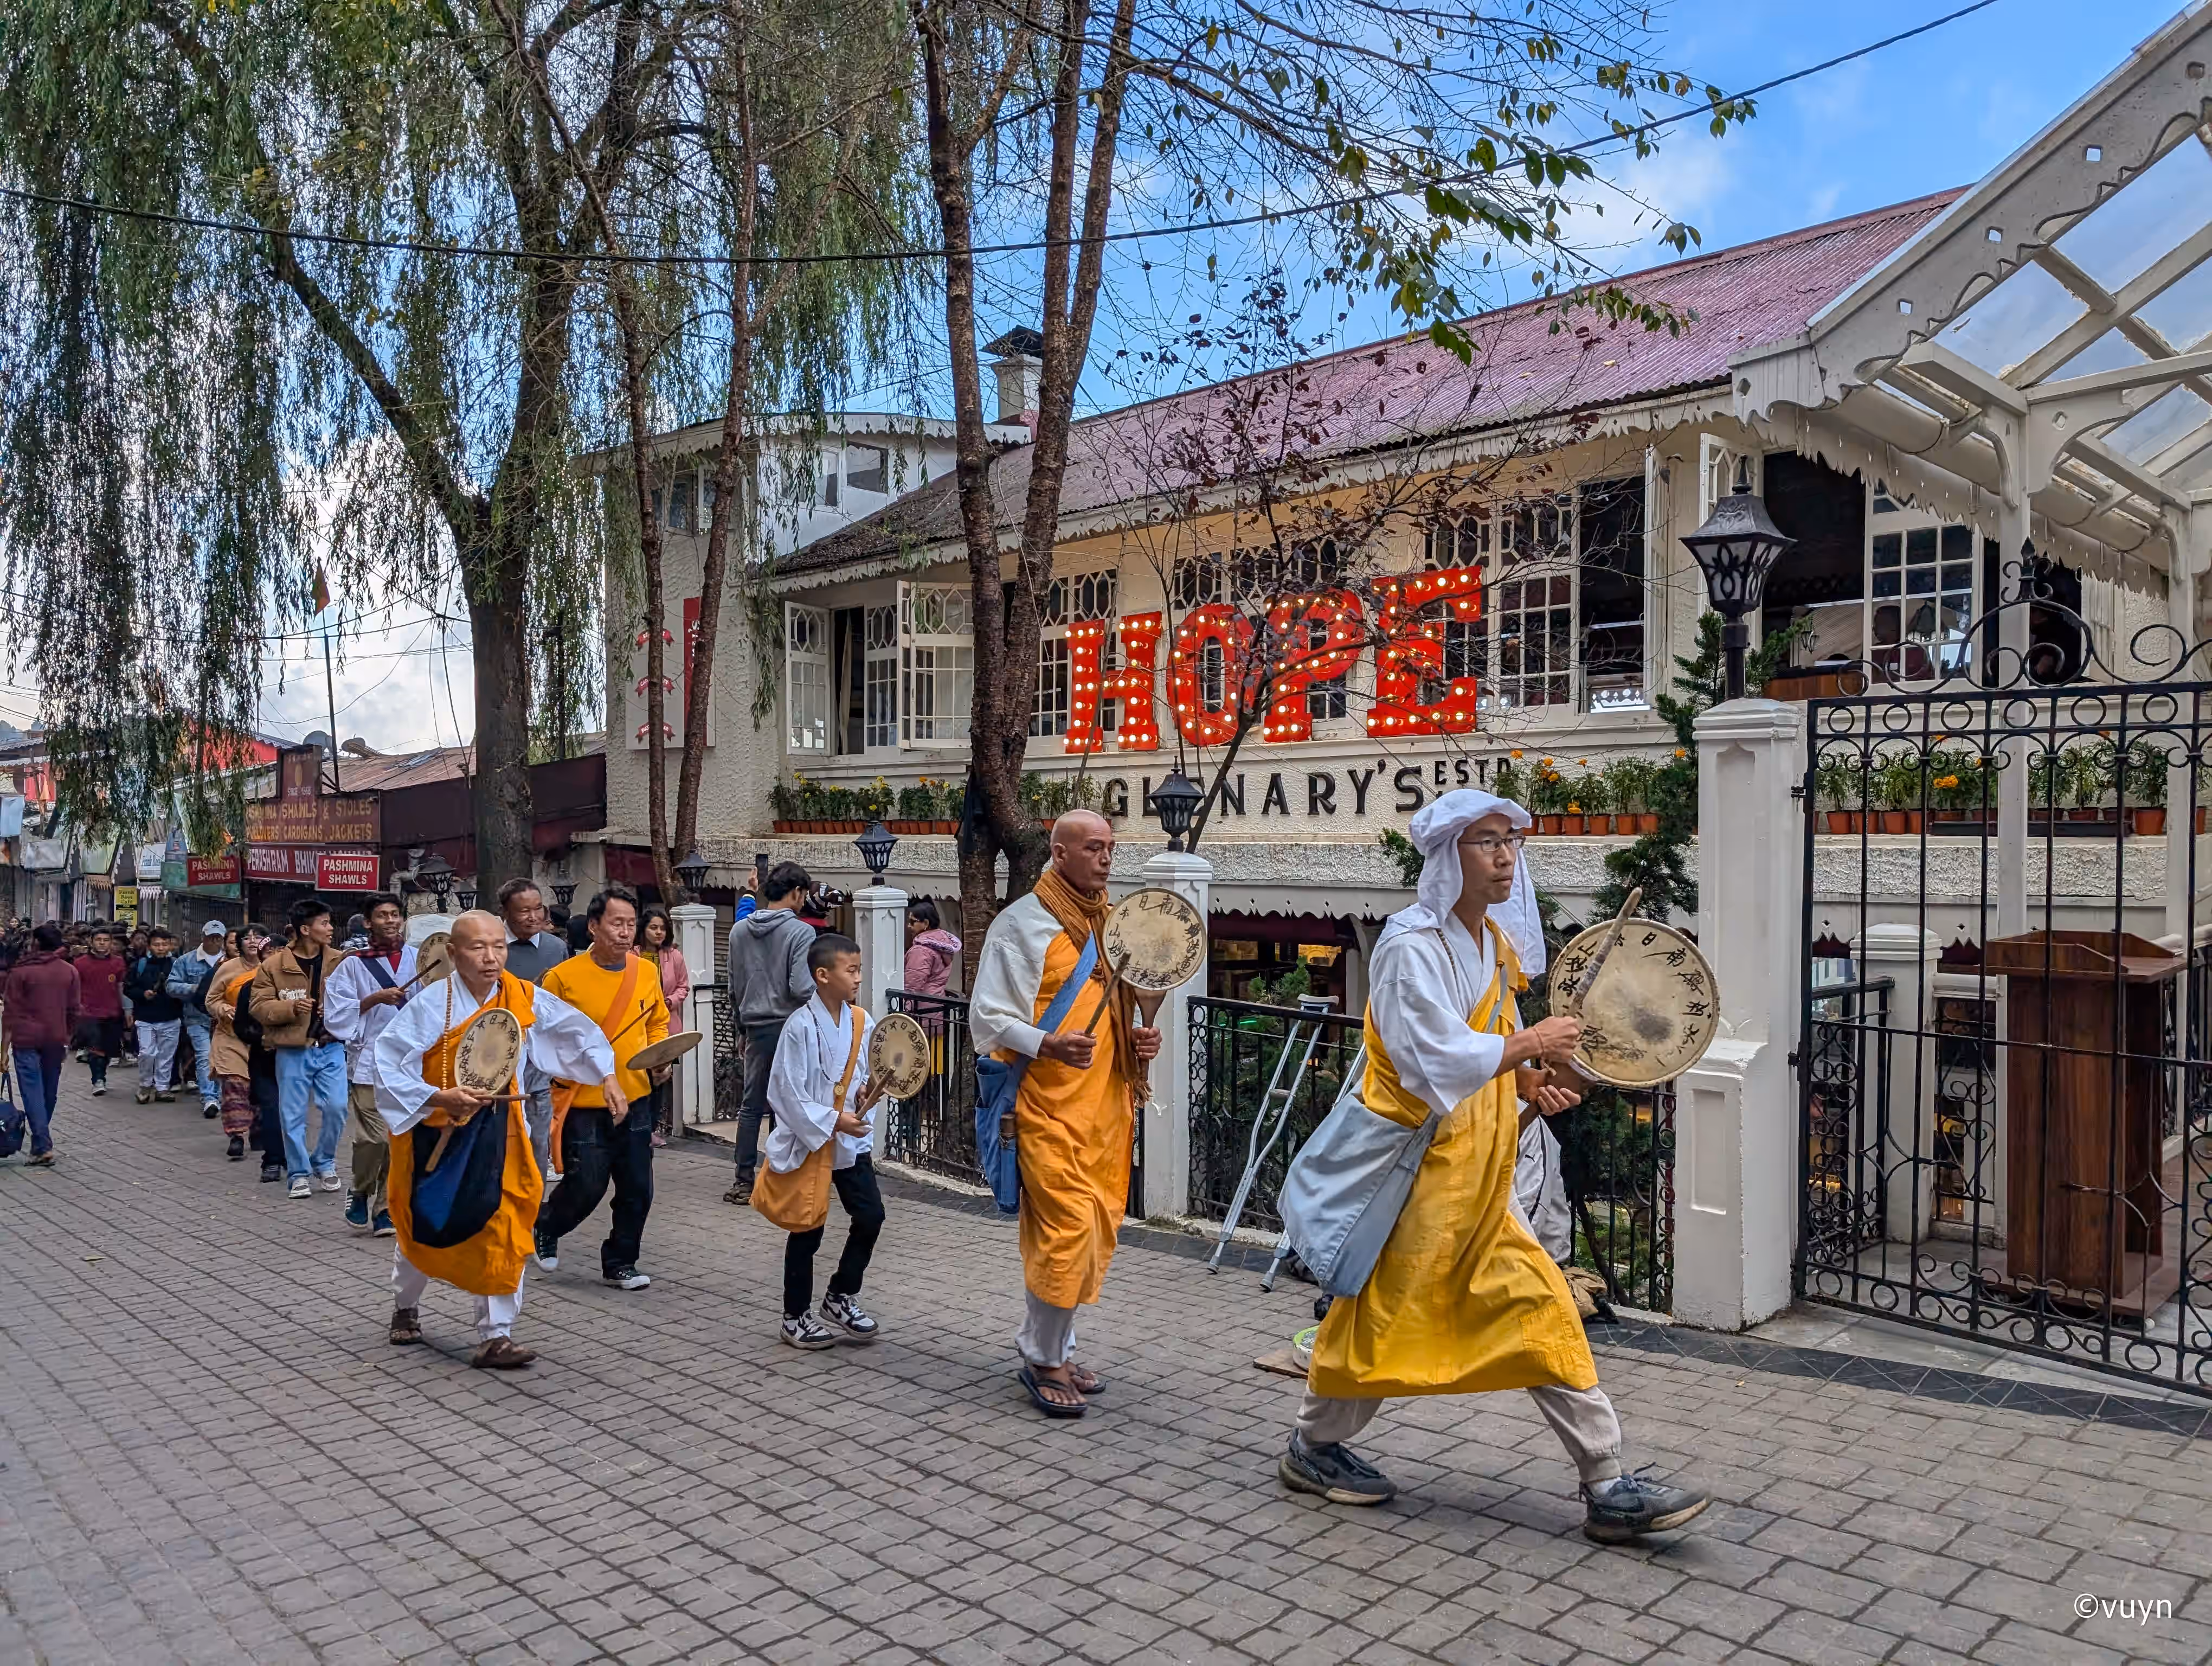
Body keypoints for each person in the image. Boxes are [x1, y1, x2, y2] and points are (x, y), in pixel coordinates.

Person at [1277, 790, 1709, 1545]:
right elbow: (1431, 1061)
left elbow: (1490, 1052)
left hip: (1480, 1182)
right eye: (1486, 842)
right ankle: (1314, 1446)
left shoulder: (1491, 945)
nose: (1506, 856)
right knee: (1374, 1329)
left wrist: (1529, 1084)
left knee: (1543, 1309)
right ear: (1449, 857)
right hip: (1419, 1185)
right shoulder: (1411, 949)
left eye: (1511, 841)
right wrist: (1532, 1044)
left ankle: (1608, 1482)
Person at [968, 810, 1162, 1419]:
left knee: (1092, 1229)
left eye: (1110, 848)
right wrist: (1048, 1044)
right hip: (1044, 1107)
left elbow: (1119, 1007)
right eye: (1093, 848)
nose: (1105, 859)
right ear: (1059, 853)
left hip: (1104, 1109)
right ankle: (1044, 1359)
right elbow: (987, 1017)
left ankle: (1053, 1345)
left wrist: (1139, 1039)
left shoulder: (1114, 924)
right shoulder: (1020, 924)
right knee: (1067, 1232)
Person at [372, 910, 622, 1368]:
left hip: (501, 1132)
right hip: (438, 1134)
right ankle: (406, 1304)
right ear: (453, 953)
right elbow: (386, 1064)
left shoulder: (520, 995)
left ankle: (496, 1335)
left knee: (507, 1221)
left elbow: (572, 1030)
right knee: (424, 1227)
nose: (491, 958)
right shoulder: (432, 1005)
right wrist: (438, 1097)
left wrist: (606, 1074)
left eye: (499, 947)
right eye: (478, 948)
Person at [533, 886, 668, 1290]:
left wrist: (661, 1058)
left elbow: (657, 1022)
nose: (626, 932)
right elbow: (544, 1038)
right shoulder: (562, 978)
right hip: (585, 1101)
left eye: (631, 924)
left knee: (638, 1188)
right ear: (594, 926)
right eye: (616, 923)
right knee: (587, 1184)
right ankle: (546, 1224)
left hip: (636, 1096)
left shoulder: (646, 972)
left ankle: (621, 1262)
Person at [763, 933, 888, 1349]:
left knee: (870, 1216)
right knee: (808, 1227)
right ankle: (794, 1316)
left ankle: (840, 1296)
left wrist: (865, 1094)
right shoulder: (799, 1026)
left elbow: (863, 1077)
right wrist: (834, 1120)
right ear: (823, 975)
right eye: (851, 970)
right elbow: (786, 1092)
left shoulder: (862, 1022)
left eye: (859, 970)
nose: (858, 978)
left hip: (848, 1142)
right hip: (813, 1139)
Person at [722, 861, 817, 1206]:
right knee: (786, 1104)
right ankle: (778, 1178)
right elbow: (801, 987)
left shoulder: (738, 931)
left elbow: (733, 988)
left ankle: (743, 1180)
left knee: (751, 1106)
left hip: (755, 1028)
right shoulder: (801, 933)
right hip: (789, 1027)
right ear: (797, 893)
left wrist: (741, 1029)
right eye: (804, 895)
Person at [322, 895, 416, 1235]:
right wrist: (374, 998)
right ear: (368, 923)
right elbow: (336, 1012)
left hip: (408, 1062)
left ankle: (385, 1208)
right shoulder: (352, 965)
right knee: (374, 1139)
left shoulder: (418, 958)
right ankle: (361, 1188)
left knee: (398, 1139)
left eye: (395, 915)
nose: (390, 921)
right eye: (382, 915)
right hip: (369, 1061)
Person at [249, 899, 350, 1199]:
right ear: (305, 929)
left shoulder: (341, 961)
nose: (331, 929)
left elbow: (355, 999)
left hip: (331, 1046)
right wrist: (291, 1008)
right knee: (292, 1115)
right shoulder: (273, 966)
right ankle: (299, 1173)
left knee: (337, 1107)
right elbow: (258, 1006)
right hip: (292, 1049)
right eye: (324, 923)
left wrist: (339, 1012)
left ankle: (324, 1161)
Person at [498, 877, 568, 1176]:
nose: (533, 917)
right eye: (524, 911)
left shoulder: (557, 948)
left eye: (538, 909)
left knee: (539, 1135)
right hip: (499, 1055)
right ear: (505, 913)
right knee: (502, 1137)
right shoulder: (492, 947)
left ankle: (534, 1195)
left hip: (540, 1054)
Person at [2, 924, 81, 1167]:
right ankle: (40, 1141)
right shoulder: (69, 971)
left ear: (35, 943)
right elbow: (74, 1010)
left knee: (32, 1090)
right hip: (56, 1037)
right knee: (49, 1090)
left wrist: (3, 1049)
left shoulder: (21, 972)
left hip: (26, 1038)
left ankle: (42, 1145)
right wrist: (67, 1038)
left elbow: (10, 1014)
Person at [203, 928, 266, 1161]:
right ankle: (237, 1135)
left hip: (264, 1039)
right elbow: (211, 1000)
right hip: (231, 1036)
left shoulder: (274, 967)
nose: (253, 942)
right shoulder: (227, 968)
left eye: (257, 937)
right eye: (247, 938)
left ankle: (259, 1130)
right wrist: (224, 1009)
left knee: (260, 1088)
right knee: (234, 1086)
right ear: (239, 944)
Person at [637, 906, 689, 1142]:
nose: (659, 933)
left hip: (666, 1024)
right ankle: (638, 1127)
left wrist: (669, 1001)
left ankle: (651, 1129)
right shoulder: (632, 955)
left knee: (660, 1078)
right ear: (643, 930)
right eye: (653, 928)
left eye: (662, 928)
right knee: (640, 1077)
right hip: (638, 1025)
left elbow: (683, 987)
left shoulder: (674, 956)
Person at [168, 920, 229, 1119]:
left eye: (219, 938)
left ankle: (219, 1095)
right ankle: (209, 1098)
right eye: (211, 937)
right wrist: (196, 989)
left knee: (221, 1058)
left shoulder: (229, 962)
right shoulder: (186, 961)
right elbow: (171, 986)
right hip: (197, 1018)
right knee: (205, 1056)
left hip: (223, 1019)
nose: (215, 941)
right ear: (203, 937)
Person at [126, 927, 184, 1105]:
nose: (161, 948)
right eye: (157, 944)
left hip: (171, 1017)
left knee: (167, 1055)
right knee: (147, 1053)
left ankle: (162, 1088)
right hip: (145, 1019)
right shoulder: (139, 966)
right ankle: (145, 1085)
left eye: (164, 944)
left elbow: (185, 987)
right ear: (150, 946)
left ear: (170, 945)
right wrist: (143, 994)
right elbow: (128, 988)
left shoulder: (177, 965)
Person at [901, 899, 962, 999]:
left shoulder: (921, 951)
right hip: (936, 1000)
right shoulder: (943, 944)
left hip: (921, 1004)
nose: (909, 926)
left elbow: (912, 985)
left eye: (913, 922)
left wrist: (905, 1004)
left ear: (926, 923)